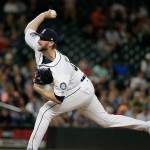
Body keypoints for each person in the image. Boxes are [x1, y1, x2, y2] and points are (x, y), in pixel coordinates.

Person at [24, 9, 150, 150]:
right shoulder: (38, 44)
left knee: (45, 112)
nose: (39, 40)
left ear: (51, 44)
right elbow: (29, 29)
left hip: (79, 90)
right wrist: (45, 15)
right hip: (81, 87)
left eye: (43, 39)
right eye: (40, 37)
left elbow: (59, 99)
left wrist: (38, 88)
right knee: (105, 120)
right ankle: (147, 126)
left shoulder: (60, 67)